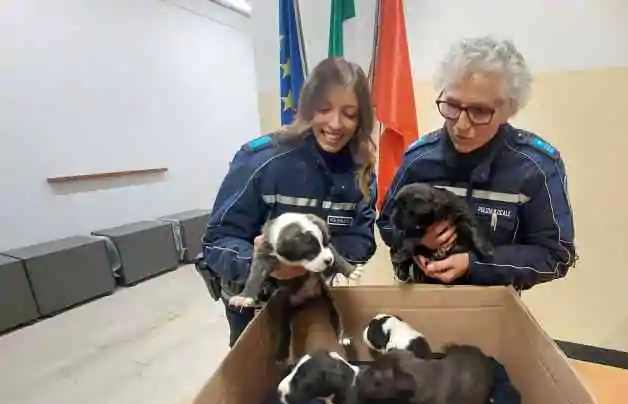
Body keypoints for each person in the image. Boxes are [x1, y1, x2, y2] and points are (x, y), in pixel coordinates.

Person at [201, 57, 378, 347]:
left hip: (313, 298)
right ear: (307, 108)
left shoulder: (361, 172)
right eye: (324, 110)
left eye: (349, 114)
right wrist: (265, 265)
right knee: (260, 371)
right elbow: (217, 241)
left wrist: (316, 260)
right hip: (256, 305)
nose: (335, 124)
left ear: (361, 119)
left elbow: (361, 238)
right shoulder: (261, 161)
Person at [377, 36, 576, 291]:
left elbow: (555, 255)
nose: (461, 125)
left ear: (509, 109)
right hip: (421, 301)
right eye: (452, 106)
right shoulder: (419, 160)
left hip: (493, 307)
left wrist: (475, 264)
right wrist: (416, 240)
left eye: (479, 111)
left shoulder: (536, 167)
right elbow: (387, 224)